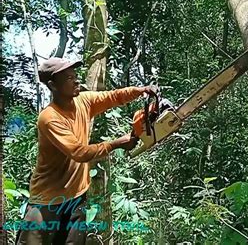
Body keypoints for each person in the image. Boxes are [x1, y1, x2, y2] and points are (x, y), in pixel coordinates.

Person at [15, 57, 156, 244]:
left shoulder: (83, 101)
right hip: (46, 202)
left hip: (76, 197)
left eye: (75, 75)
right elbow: (79, 152)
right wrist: (117, 143)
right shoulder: (50, 117)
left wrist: (140, 91)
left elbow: (113, 97)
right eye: (68, 78)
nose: (76, 80)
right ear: (52, 85)